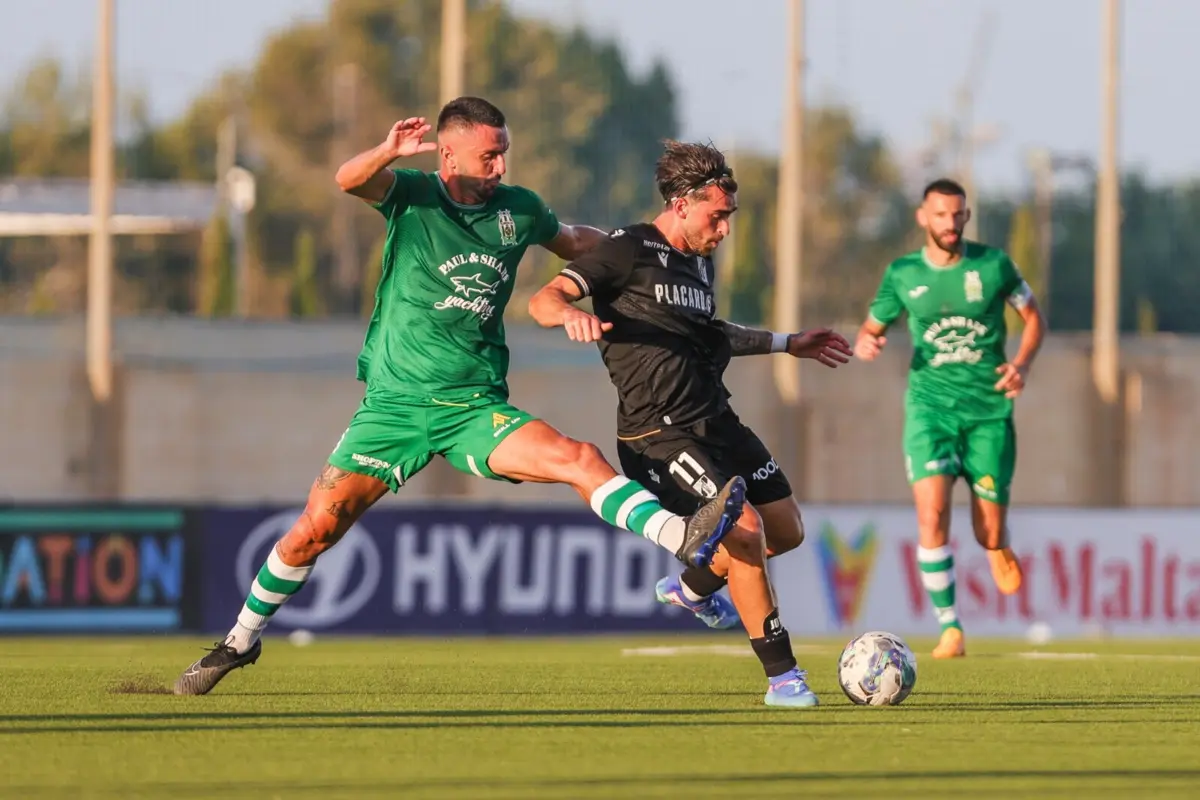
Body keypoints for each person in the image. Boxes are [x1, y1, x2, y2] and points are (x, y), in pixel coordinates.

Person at [173, 98, 746, 696]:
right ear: (448, 155)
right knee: (317, 528)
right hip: (394, 405)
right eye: (489, 155)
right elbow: (349, 180)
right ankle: (239, 641)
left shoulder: (519, 209)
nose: (500, 167)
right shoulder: (414, 194)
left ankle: (681, 538)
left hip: (475, 406)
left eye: (504, 154)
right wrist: (388, 151)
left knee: (578, 457)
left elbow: (579, 241)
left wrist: (648, 247)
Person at [528, 140, 853, 708]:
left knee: (786, 531)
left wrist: (788, 343)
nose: (725, 229)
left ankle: (693, 586)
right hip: (659, 434)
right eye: (718, 215)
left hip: (716, 419)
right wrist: (569, 315)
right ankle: (784, 678)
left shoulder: (699, 261)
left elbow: (710, 333)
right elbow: (544, 298)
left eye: (728, 216)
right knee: (745, 532)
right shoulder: (625, 250)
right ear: (681, 204)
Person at [853, 177, 1046, 659]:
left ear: (966, 216)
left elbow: (1034, 317)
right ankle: (950, 628)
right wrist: (866, 342)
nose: (950, 224)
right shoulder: (902, 274)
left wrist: (1020, 364)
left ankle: (999, 546)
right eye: (940, 215)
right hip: (930, 410)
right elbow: (871, 327)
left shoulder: (994, 264)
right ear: (923, 217)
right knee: (932, 514)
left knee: (989, 532)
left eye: (958, 215)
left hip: (987, 412)